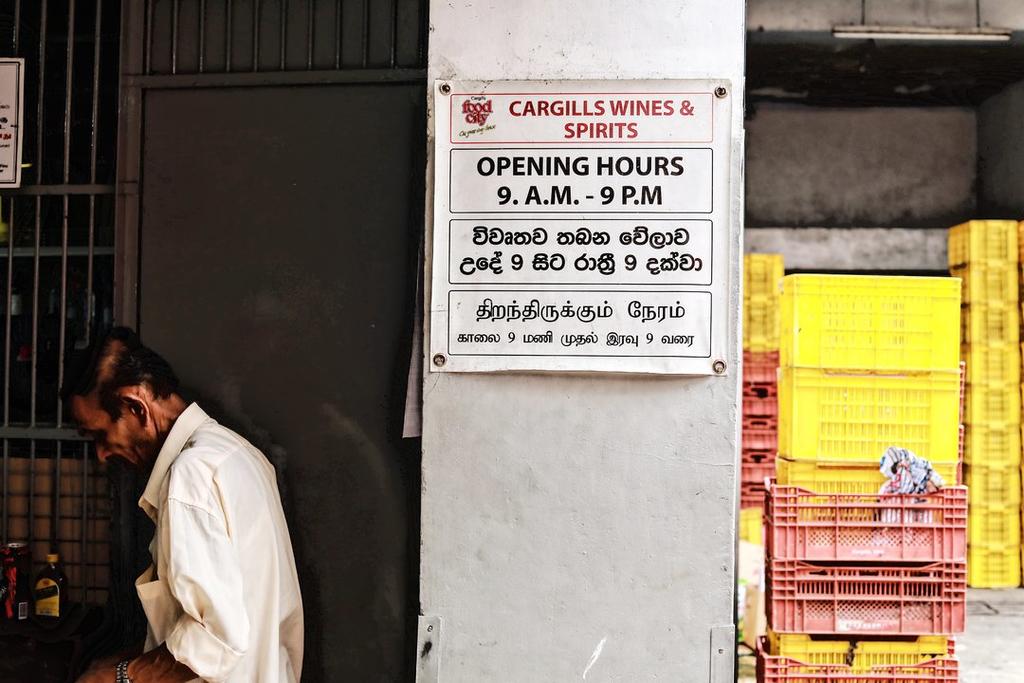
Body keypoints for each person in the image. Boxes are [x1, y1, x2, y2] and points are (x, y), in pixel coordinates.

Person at [66, 327, 303, 683]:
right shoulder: (237, 453)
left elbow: (216, 638)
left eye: (100, 434)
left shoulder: (191, 476)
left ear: (136, 407)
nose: (102, 454)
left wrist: (118, 677)